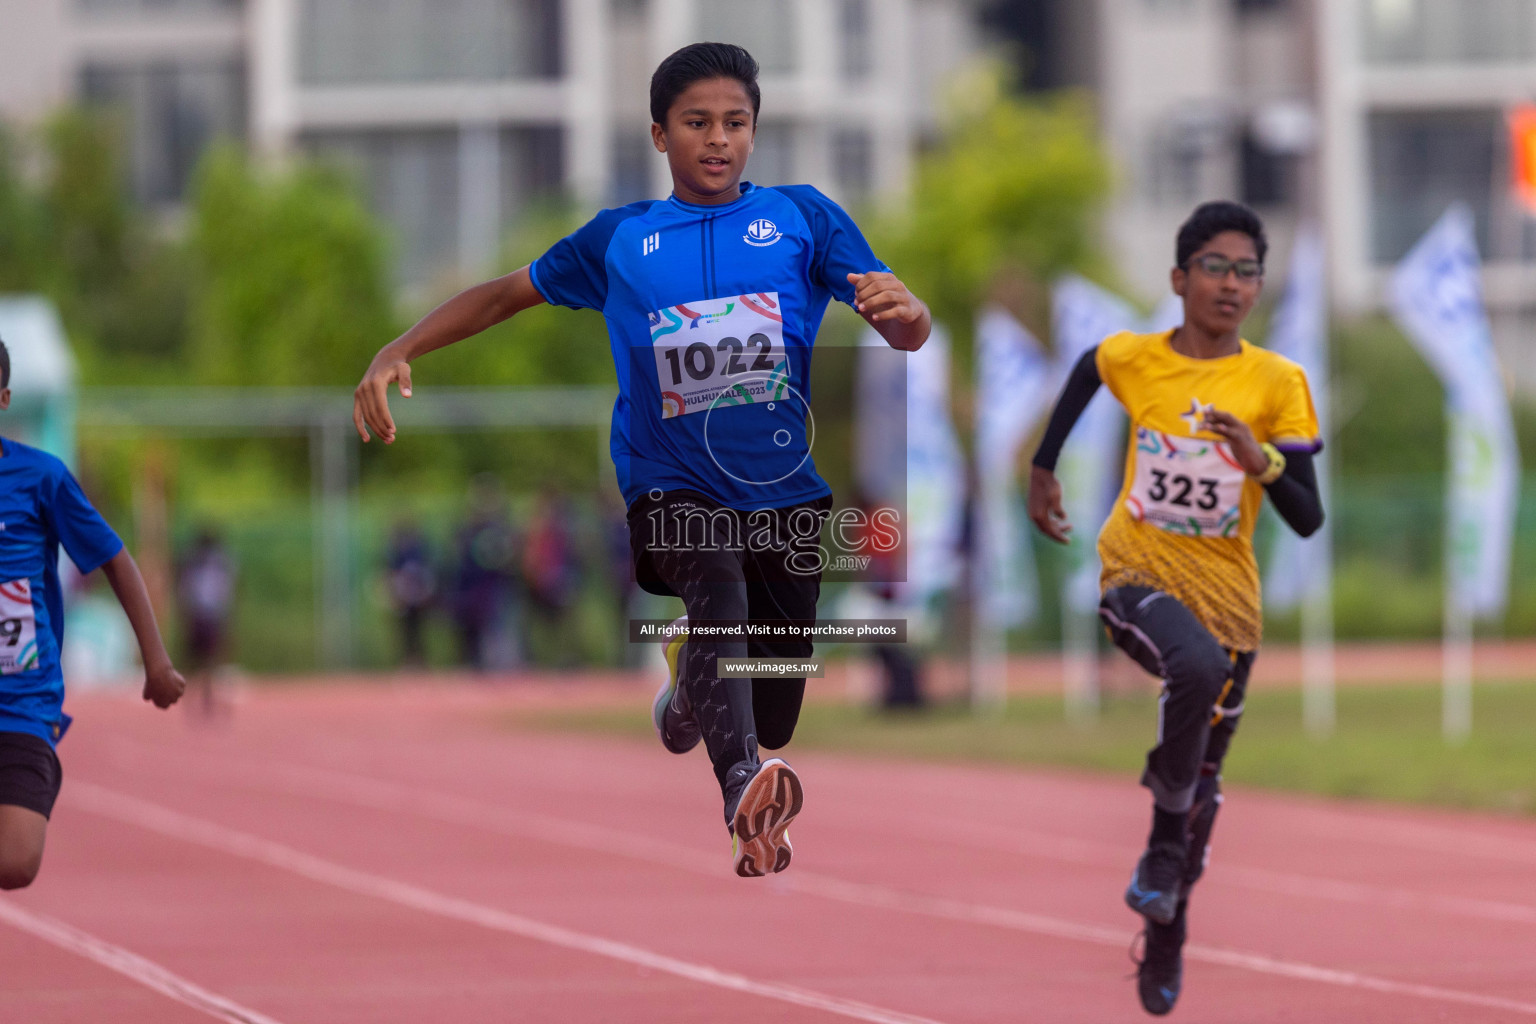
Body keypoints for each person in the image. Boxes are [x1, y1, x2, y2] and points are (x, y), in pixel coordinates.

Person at [354, 42, 929, 876]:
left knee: (774, 701)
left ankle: (684, 698)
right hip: (668, 483)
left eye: (735, 123)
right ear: (660, 135)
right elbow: (502, 295)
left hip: (784, 491)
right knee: (717, 577)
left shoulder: (806, 218)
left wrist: (909, 316)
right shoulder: (620, 240)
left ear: (755, 132)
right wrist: (400, 345)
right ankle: (741, 791)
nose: (718, 139)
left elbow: (901, 324)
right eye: (697, 123)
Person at [1027, 202, 1323, 1015]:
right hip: (1135, 576)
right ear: (1180, 279)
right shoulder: (1139, 359)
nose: (1232, 285)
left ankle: (1166, 925)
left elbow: (1307, 515)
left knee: (1206, 785)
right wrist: (1044, 465)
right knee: (1189, 669)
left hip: (1231, 603)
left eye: (1248, 272)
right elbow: (1089, 365)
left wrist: (1259, 462)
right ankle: (1160, 846)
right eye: (1217, 268)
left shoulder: (1276, 382)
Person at [0, 338, 186, 889]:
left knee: (16, 861)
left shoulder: (41, 478)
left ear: (4, 397)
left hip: (21, 703)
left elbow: (115, 559)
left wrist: (155, 662)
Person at [176, 526, 235, 714]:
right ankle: (191, 695)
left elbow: (226, 590)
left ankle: (203, 696)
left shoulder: (217, 562)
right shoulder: (196, 562)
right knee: (201, 659)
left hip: (207, 615)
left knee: (206, 659)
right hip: (205, 615)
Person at [384, 520, 436, 668]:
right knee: (404, 632)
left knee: (420, 631)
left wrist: (425, 594)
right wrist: (395, 595)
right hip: (403, 600)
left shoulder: (421, 552)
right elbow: (390, 576)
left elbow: (428, 575)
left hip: (419, 600)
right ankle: (407, 660)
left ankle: (420, 660)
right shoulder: (397, 555)